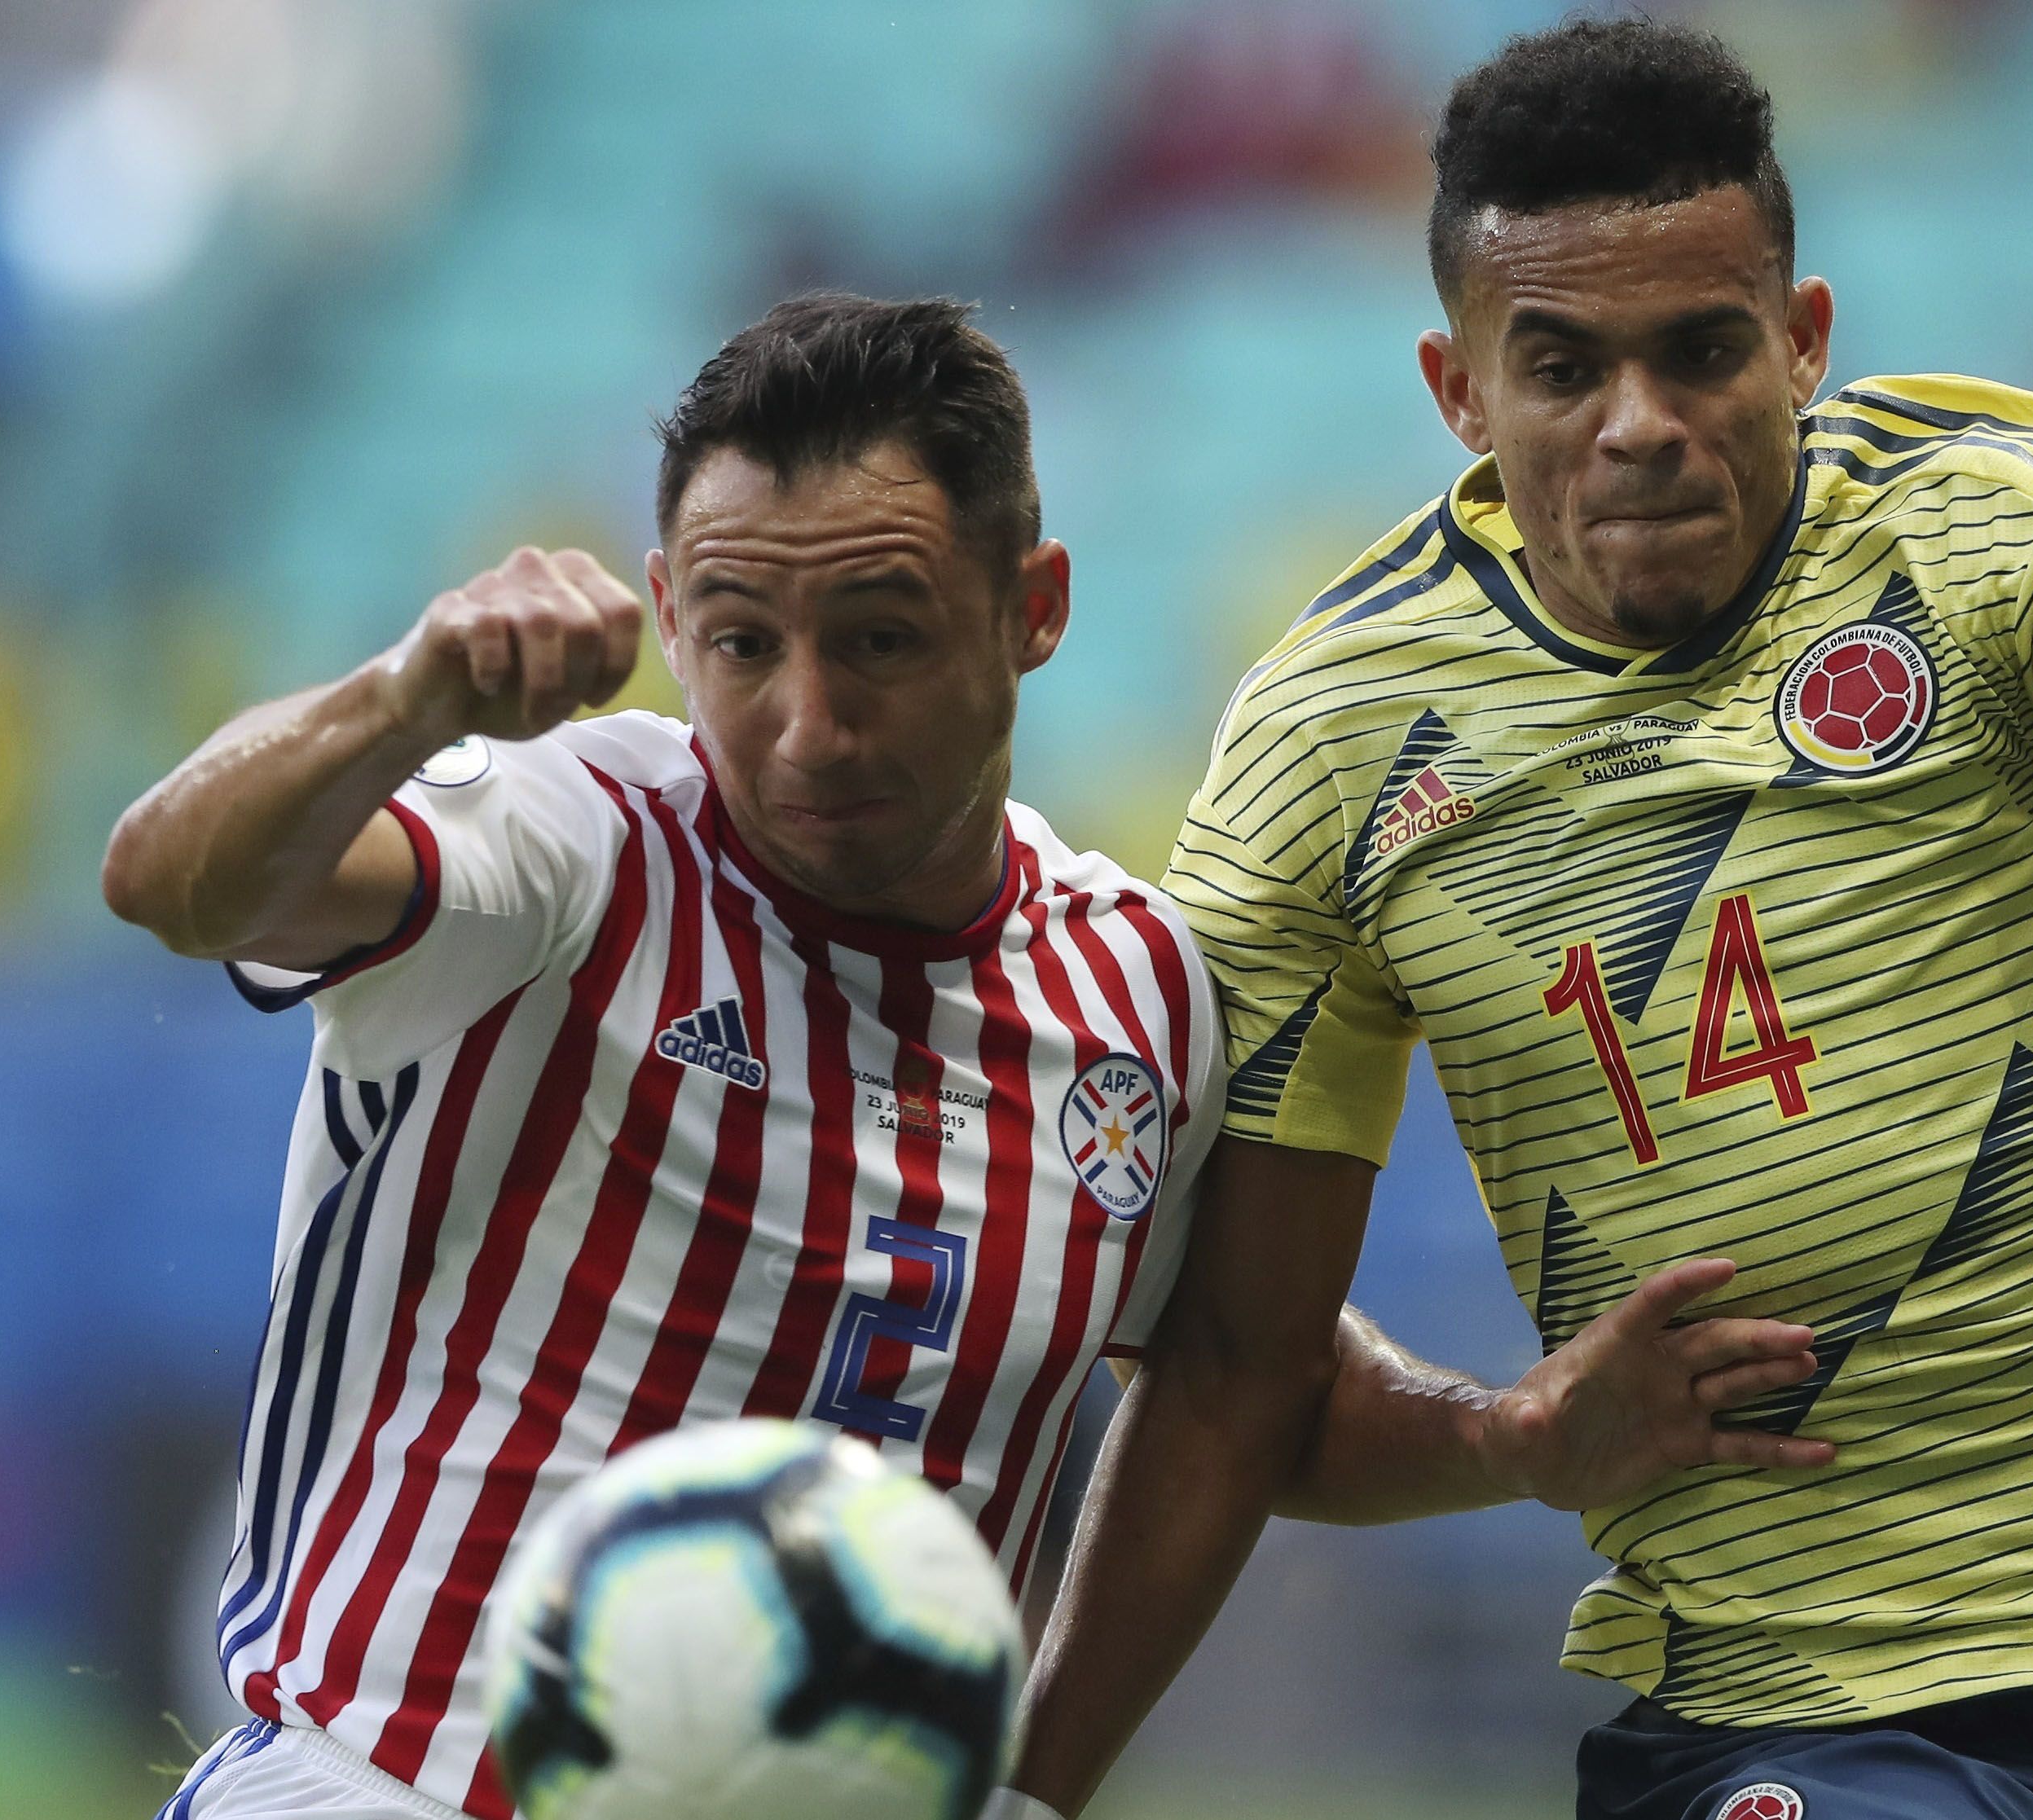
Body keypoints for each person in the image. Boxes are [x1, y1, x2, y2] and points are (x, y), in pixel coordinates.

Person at [1013, 20, 2033, 1820]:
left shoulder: (1985, 514)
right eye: (1560, 366)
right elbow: (1236, 1364)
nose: (1637, 426)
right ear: (1457, 391)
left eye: (1702, 351)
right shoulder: (1332, 740)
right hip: (1788, 1720)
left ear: (1801, 341)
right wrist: (1509, 1440)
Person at [102, 293, 1824, 1820]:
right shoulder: (574, 843)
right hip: (388, 1783)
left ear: (1035, 606)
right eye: (741, 643)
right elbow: (177, 879)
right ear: (663, 612)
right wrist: (402, 702)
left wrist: (1511, 1438)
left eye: (881, 639)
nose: (805, 724)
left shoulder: (1133, 993)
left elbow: (1240, 1372)